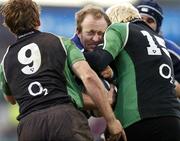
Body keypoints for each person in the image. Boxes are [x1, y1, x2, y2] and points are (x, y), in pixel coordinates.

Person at [0, 0, 125, 141]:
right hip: (64, 119)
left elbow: (10, 99)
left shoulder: (5, 60)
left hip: (29, 127)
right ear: (38, 20)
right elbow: (88, 77)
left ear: (10, 27)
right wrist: (111, 120)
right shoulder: (60, 42)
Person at [84, 2, 180, 141]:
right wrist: (113, 75)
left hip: (138, 119)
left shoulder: (120, 28)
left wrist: (71, 53)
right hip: (172, 119)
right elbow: (142, 73)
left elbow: (100, 60)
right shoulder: (160, 40)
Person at [71, 4, 114, 141]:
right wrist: (103, 102)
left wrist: (112, 74)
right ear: (78, 31)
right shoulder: (67, 52)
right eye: (90, 33)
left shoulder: (103, 53)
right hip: (64, 123)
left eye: (101, 34)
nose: (96, 39)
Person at [136, 0, 180, 98]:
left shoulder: (172, 52)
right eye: (140, 19)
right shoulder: (122, 46)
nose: (143, 24)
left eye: (150, 21)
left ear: (158, 27)